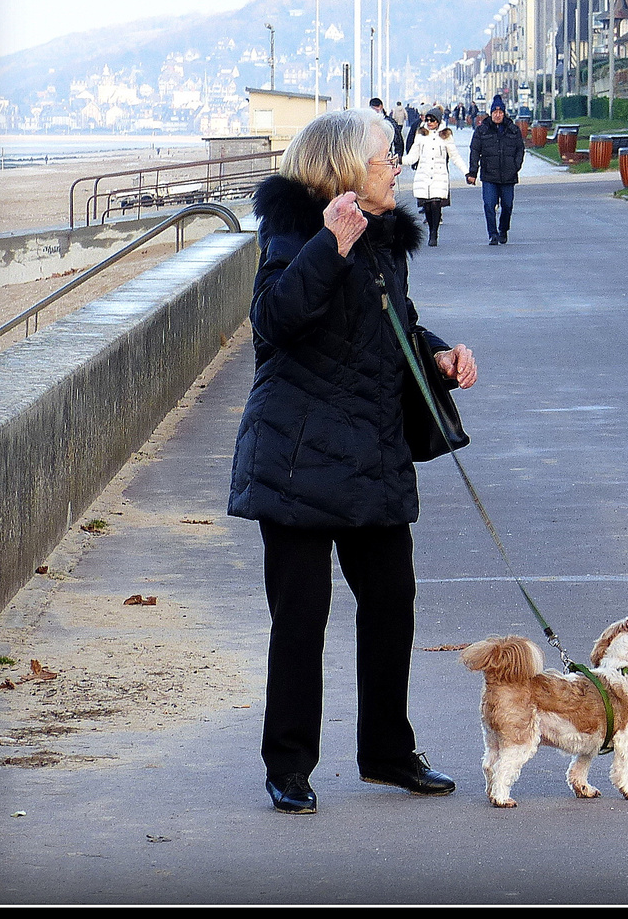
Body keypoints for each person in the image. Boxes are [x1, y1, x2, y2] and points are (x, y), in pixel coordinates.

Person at [227, 107, 480, 814]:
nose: (396, 167)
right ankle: (289, 766)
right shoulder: (296, 231)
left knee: (393, 603)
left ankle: (388, 753)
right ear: (343, 170)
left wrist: (438, 352)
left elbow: (390, 320)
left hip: (369, 453)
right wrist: (329, 247)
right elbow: (274, 321)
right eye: (384, 159)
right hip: (298, 456)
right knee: (302, 619)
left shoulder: (385, 239)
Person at [467, 94, 525, 245]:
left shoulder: (513, 130)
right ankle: (492, 233)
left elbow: (520, 149)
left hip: (508, 175)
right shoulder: (482, 130)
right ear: (491, 113)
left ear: (504, 113)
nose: (497, 115)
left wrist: (515, 166)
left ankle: (503, 229)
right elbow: (474, 151)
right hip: (489, 175)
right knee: (489, 204)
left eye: (500, 112)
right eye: (495, 112)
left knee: (507, 205)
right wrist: (473, 172)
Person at [406, 110, 467, 247]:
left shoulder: (446, 136)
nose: (429, 123)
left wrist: (466, 173)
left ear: (438, 121)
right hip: (424, 173)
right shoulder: (421, 135)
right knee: (427, 206)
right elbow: (413, 156)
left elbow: (455, 156)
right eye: (427, 120)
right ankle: (430, 228)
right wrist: (399, 160)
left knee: (435, 204)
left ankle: (434, 232)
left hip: (439, 174)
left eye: (432, 120)